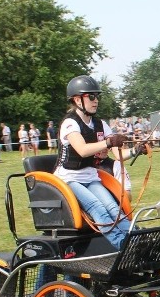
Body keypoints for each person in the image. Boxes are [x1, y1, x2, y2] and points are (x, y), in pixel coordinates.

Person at [54, 75, 146, 250]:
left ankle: (135, 239)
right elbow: (82, 149)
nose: (96, 101)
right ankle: (123, 245)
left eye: (97, 96)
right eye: (91, 96)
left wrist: (136, 150)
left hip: (90, 176)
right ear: (77, 99)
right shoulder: (70, 123)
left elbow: (117, 155)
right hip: (69, 178)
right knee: (97, 207)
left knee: (113, 206)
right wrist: (109, 142)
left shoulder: (100, 124)